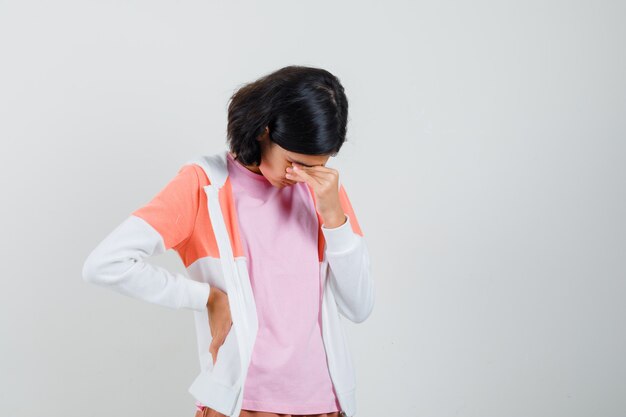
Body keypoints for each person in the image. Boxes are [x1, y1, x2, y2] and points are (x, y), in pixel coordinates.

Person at [82, 65, 374, 417]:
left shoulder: (323, 193)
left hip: (326, 405)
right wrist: (206, 297)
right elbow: (105, 263)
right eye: (294, 163)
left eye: (316, 166)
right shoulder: (204, 185)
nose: (300, 178)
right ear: (265, 130)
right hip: (241, 406)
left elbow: (358, 307)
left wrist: (335, 221)